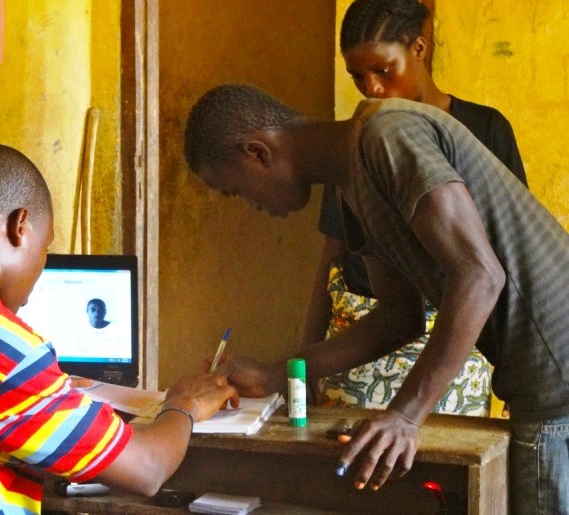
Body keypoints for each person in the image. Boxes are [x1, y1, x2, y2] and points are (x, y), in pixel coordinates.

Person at [183, 84, 569, 515]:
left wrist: (405, 416)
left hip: (556, 376)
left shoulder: (386, 134)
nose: (249, 205)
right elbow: (398, 319)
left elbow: (479, 274)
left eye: (236, 191)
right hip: (543, 377)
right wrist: (276, 374)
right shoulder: (352, 192)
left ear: (258, 153)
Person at [0, 144, 238, 515]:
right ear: (20, 226)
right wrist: (183, 404)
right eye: (45, 246)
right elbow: (148, 469)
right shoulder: (7, 353)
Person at [301, 0, 527, 416]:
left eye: (384, 70)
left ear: (418, 49)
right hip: (361, 341)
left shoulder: (485, 130)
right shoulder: (357, 142)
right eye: (357, 76)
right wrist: (304, 362)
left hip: (455, 341)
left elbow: (507, 257)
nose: (372, 88)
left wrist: (520, 374)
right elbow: (332, 254)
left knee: (446, 475)